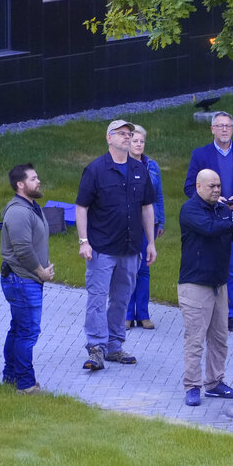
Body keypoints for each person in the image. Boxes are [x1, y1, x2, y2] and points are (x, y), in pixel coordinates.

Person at [76, 120, 157, 371]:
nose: (126, 137)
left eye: (129, 134)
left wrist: (151, 242)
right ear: (108, 138)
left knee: (121, 300)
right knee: (98, 299)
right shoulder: (95, 169)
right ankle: (96, 347)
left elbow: (147, 207)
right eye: (121, 134)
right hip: (101, 248)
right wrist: (83, 241)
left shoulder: (139, 169)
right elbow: (82, 207)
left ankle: (114, 346)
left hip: (131, 248)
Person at [179, 169, 233, 406]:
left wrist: (232, 212)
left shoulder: (222, 210)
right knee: (195, 339)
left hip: (218, 285)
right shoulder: (190, 209)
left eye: (218, 186)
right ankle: (192, 386)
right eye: (211, 186)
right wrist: (231, 215)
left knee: (220, 337)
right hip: (195, 286)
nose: (216, 190)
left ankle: (214, 382)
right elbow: (211, 228)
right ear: (199, 187)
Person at [0, 163, 55, 394]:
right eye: (33, 178)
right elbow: (22, 248)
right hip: (22, 280)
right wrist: (40, 271)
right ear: (20, 185)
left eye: (37, 176)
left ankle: (11, 377)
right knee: (27, 332)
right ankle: (25, 385)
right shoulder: (19, 212)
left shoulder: (32, 207)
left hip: (27, 280)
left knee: (18, 329)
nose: (38, 181)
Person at [184, 111, 233, 331]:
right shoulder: (200, 155)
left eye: (228, 126)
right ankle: (216, 313)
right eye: (220, 126)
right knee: (217, 266)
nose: (224, 130)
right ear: (212, 129)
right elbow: (190, 187)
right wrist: (213, 200)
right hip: (211, 218)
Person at [126, 125, 165, 330]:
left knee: (143, 269)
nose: (139, 144)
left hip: (149, 223)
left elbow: (158, 196)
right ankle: (127, 314)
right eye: (135, 141)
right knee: (128, 269)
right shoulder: (121, 164)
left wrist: (162, 221)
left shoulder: (152, 166)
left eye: (142, 141)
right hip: (128, 223)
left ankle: (143, 314)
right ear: (128, 143)